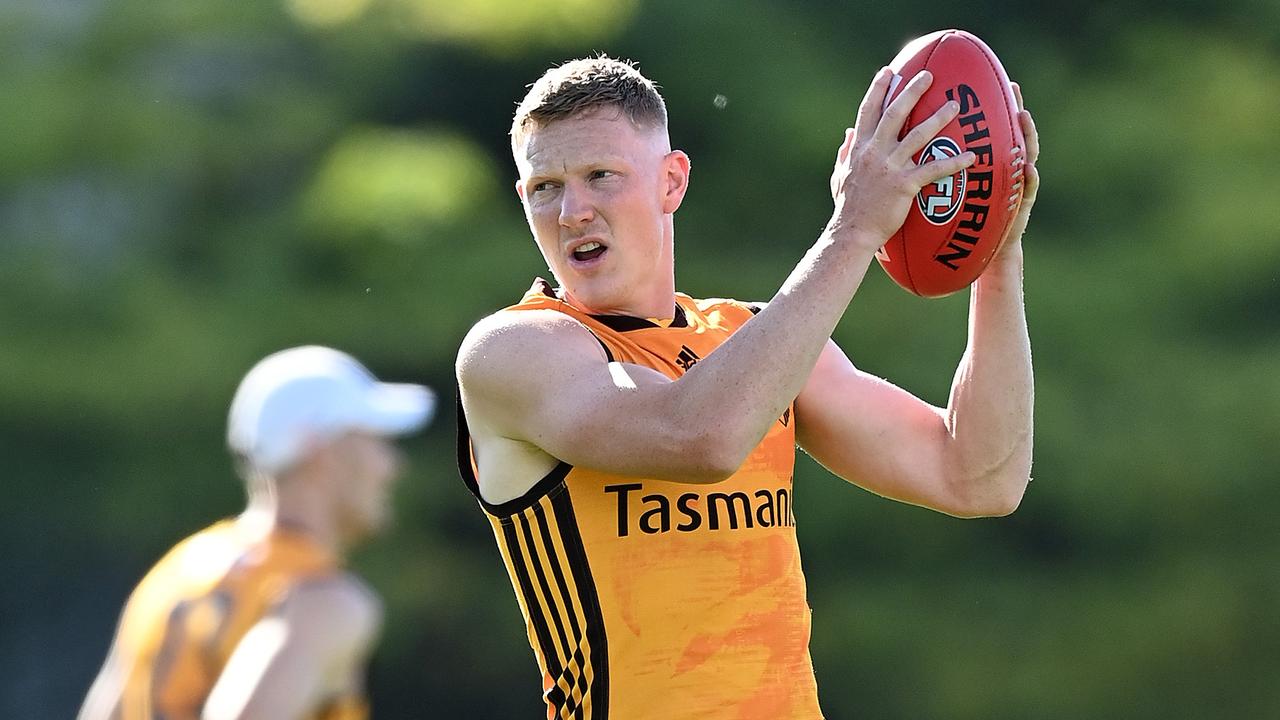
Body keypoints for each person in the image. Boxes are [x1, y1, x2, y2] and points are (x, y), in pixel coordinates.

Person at [455, 56, 1038, 718]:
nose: (572, 211)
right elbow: (700, 436)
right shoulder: (513, 350)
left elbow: (979, 476)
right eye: (545, 187)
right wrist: (855, 227)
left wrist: (997, 259)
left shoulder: (753, 337)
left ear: (671, 182)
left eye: (600, 177)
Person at [78, 346, 435, 720]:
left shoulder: (176, 572)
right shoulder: (324, 601)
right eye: (377, 441)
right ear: (321, 451)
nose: (393, 466)